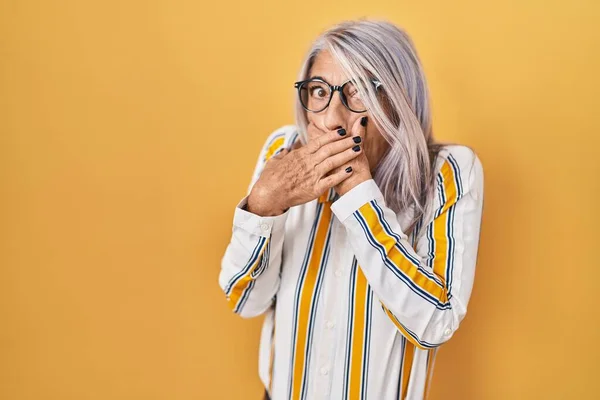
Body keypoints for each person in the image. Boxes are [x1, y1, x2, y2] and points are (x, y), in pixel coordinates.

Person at [218, 18, 484, 400]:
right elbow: (245, 301)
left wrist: (360, 194)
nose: (331, 119)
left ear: (399, 97)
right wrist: (263, 205)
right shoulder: (284, 151)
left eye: (358, 92)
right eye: (318, 91)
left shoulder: (449, 170)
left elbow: (436, 321)